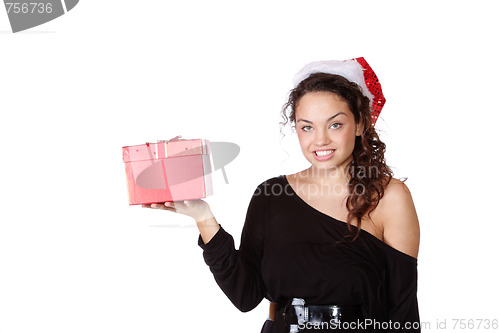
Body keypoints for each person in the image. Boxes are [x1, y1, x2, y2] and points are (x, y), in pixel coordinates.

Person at [143, 57, 421, 332]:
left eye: (335, 124)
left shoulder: (388, 197)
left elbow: (403, 312)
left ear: (360, 124)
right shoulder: (271, 196)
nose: (320, 140)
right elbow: (245, 295)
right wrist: (203, 217)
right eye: (307, 127)